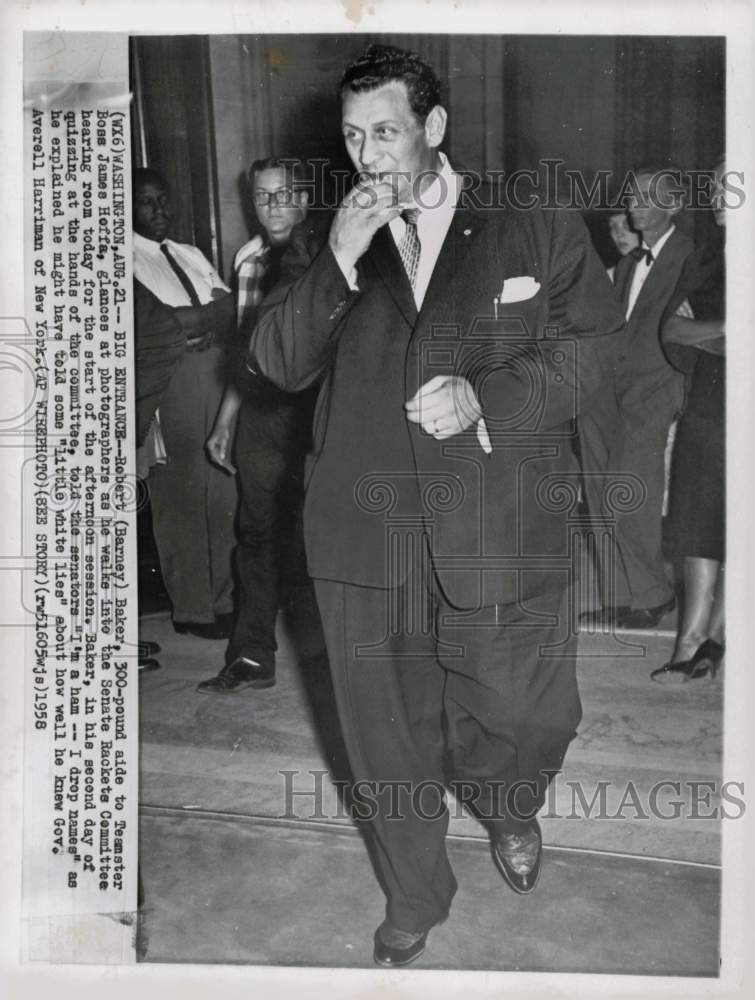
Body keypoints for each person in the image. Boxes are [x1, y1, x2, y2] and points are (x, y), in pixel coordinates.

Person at [249, 44, 625, 967]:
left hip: (499, 518)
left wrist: (484, 399)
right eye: (352, 135)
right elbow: (273, 362)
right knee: (386, 735)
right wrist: (336, 255)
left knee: (525, 715)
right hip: (364, 531)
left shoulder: (526, 217)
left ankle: (508, 803)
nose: (369, 154)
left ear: (434, 129)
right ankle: (416, 891)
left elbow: (593, 352)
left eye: (386, 131)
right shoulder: (327, 236)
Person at [196, 158, 317, 693]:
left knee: (322, 532)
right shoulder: (248, 260)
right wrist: (226, 421)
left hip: (318, 410)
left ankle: (337, 662)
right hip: (264, 414)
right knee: (257, 532)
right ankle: (250, 656)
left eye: (283, 193)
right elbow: (244, 353)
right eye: (262, 196)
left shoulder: (333, 254)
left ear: (305, 197)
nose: (272, 205)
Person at [579, 163, 694, 631]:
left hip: (654, 388)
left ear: (674, 204)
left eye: (648, 195)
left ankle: (651, 596)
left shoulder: (691, 257)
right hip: (610, 389)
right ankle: (621, 595)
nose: (635, 204)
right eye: (632, 196)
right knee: (600, 491)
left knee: (631, 492)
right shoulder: (627, 264)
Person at [132, 168, 237, 639]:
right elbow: (166, 324)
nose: (159, 211)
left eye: (163, 200)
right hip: (169, 381)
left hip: (215, 368)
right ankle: (193, 608)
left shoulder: (190, 253)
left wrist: (206, 316)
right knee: (180, 494)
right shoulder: (124, 259)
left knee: (222, 489)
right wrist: (207, 314)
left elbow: (231, 309)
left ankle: (225, 599)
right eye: (146, 203)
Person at [651, 158, 726, 682]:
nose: (723, 194)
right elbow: (670, 331)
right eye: (719, 184)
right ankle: (692, 637)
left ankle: (720, 633)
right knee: (696, 510)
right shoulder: (707, 260)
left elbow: (688, 330)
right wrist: (729, 330)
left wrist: (707, 331)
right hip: (712, 394)